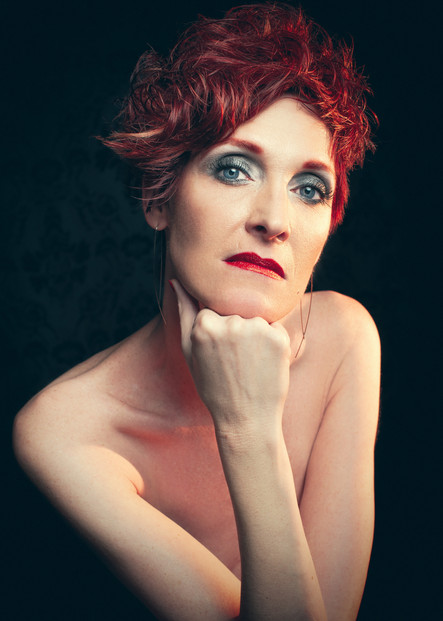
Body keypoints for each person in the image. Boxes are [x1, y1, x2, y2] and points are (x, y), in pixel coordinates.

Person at [13, 3, 380, 620]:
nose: (275, 220)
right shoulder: (65, 430)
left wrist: (252, 426)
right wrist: (245, 426)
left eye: (309, 188)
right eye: (234, 169)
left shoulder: (343, 339)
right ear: (158, 197)